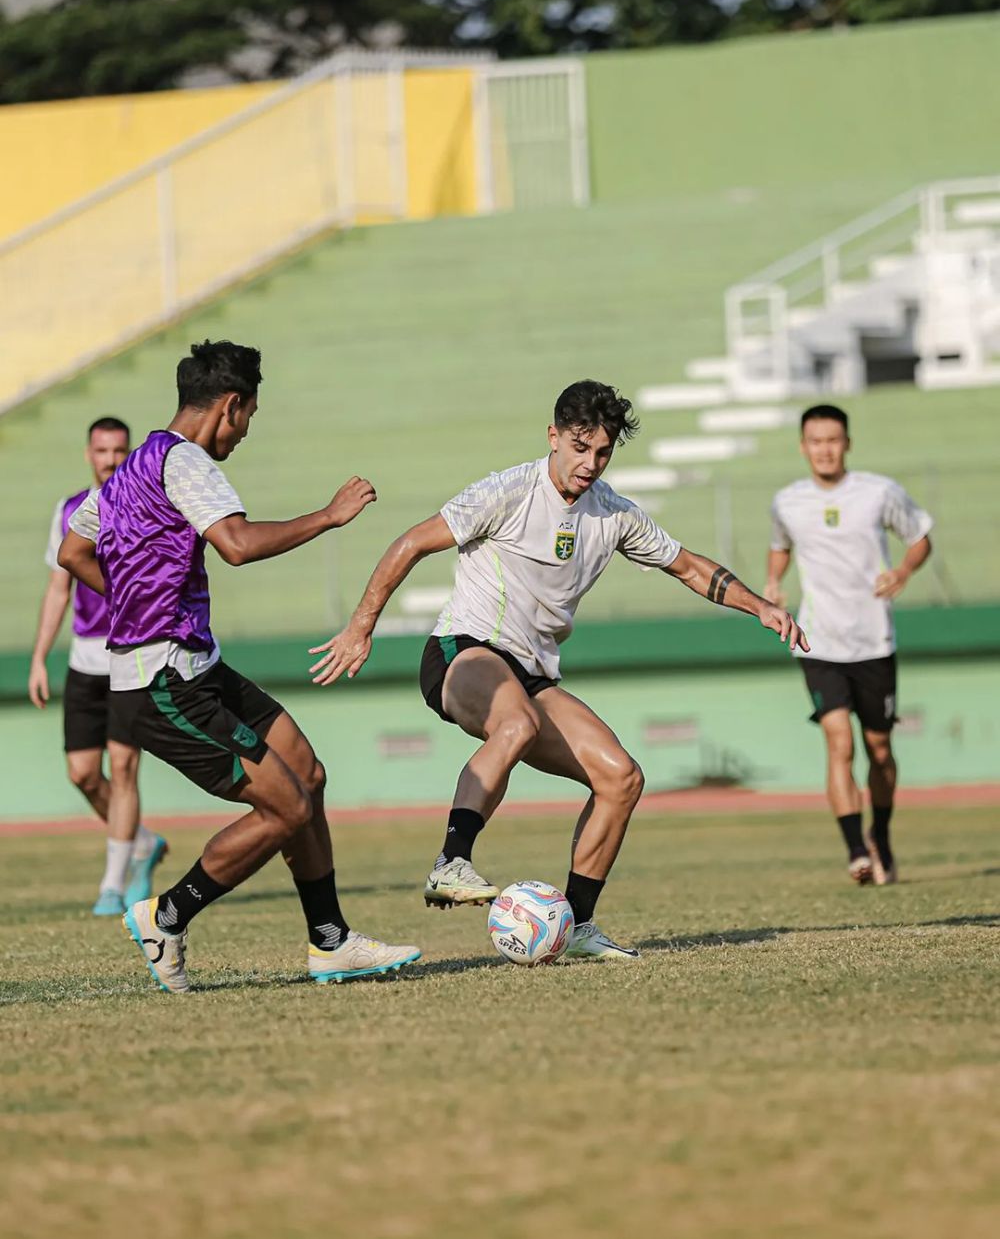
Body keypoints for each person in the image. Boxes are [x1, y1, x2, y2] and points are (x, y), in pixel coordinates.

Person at [309, 380, 807, 960]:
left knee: (621, 778)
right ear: (553, 437)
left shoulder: (614, 515)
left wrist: (762, 607)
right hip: (463, 650)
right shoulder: (509, 491)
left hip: (533, 674)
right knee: (514, 724)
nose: (590, 463)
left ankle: (576, 929)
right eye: (579, 447)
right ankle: (451, 861)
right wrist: (360, 626)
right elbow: (411, 543)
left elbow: (691, 567)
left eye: (602, 452)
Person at [59, 340, 420, 993]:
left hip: (196, 666)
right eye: (250, 414)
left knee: (307, 776)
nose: (247, 431)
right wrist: (330, 516)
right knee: (285, 807)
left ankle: (331, 941)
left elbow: (72, 549)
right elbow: (236, 544)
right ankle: (166, 915)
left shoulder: (135, 464)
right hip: (161, 681)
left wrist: (132, 598)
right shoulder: (187, 461)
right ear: (231, 405)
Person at [765, 403, 933, 886]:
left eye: (833, 440)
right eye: (815, 441)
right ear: (803, 447)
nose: (824, 449)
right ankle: (857, 852)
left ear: (847, 444)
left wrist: (902, 570)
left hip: (874, 641)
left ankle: (880, 834)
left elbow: (920, 535)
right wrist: (774, 581)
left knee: (879, 749)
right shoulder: (787, 502)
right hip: (818, 642)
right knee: (838, 743)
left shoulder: (879, 492)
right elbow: (780, 546)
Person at [29, 417, 167, 916]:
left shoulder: (145, 506)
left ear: (128, 452)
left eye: (119, 450)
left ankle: (113, 882)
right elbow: (58, 588)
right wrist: (40, 656)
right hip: (84, 660)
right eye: (102, 450)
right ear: (89, 453)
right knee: (83, 773)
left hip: (130, 656)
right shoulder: (68, 510)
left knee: (124, 766)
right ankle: (144, 842)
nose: (110, 458)